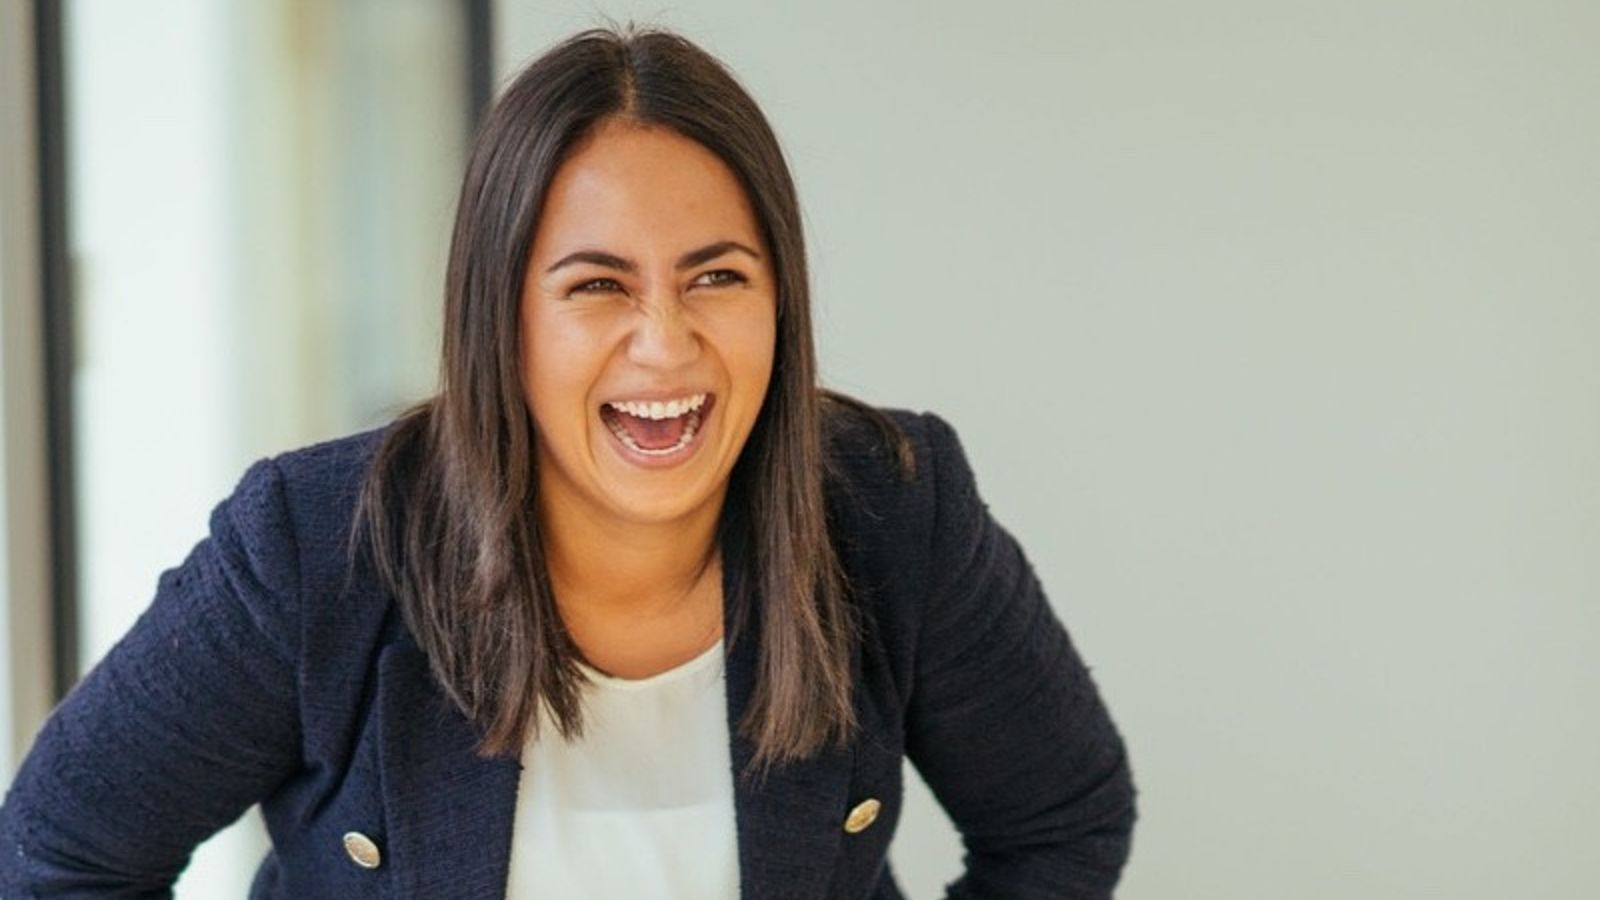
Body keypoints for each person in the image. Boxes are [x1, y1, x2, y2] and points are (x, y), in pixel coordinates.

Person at [0, 25, 1137, 900]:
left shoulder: (890, 508)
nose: (665, 342)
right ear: (503, 319)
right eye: (598, 285)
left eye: (717, 276)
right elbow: (54, 858)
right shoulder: (314, 544)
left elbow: (1064, 823)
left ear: (781, 302)